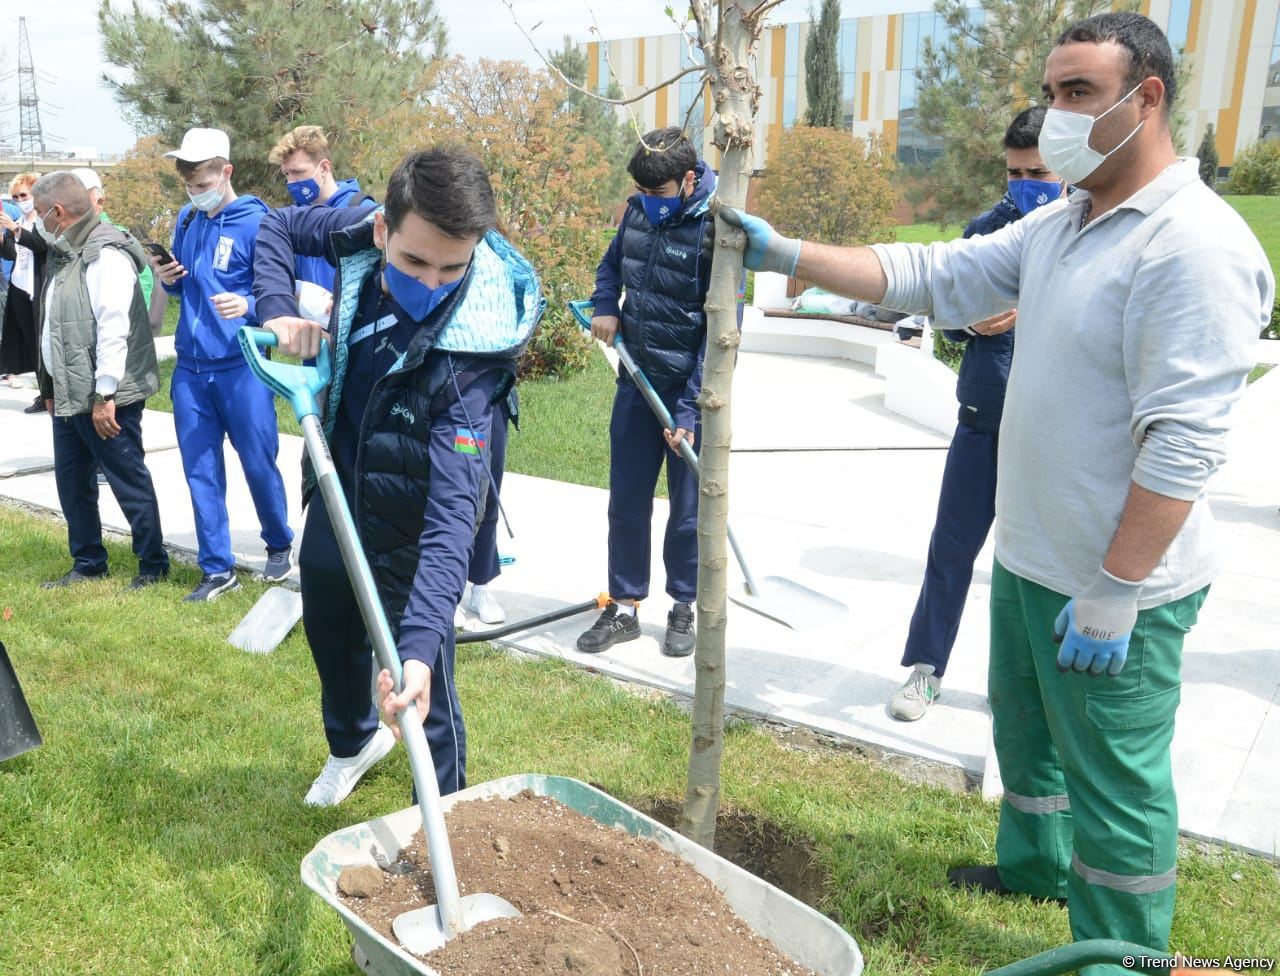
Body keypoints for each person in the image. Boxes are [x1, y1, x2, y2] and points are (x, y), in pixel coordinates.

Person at [724, 12, 1273, 967]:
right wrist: (788, 255)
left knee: (1115, 783)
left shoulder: (1193, 248)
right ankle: (1033, 867)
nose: (1056, 114)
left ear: (1147, 101)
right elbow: (936, 275)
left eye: (1078, 95)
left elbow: (1183, 445)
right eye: (1054, 90)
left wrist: (1113, 593)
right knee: (1029, 746)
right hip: (1031, 558)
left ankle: (1118, 951)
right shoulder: (1066, 222)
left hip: (1115, 586)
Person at [253, 147, 542, 806]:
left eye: (453, 267)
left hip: (412, 524)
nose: (433, 285)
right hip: (337, 488)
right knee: (329, 624)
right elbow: (272, 227)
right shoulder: (356, 231)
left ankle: (443, 817)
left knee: (421, 688)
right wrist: (277, 309)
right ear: (384, 230)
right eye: (415, 262)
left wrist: (413, 651)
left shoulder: (473, 359)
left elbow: (451, 521)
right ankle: (353, 742)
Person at [890, 107, 1064, 722]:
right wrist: (969, 320)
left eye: (1038, 170)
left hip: (1055, 433)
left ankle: (1038, 689)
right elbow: (948, 317)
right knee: (952, 548)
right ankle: (924, 669)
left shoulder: (1088, 230)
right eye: (1015, 173)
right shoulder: (986, 229)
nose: (1026, 184)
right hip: (985, 416)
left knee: (1047, 566)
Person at [576, 126, 717, 659]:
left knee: (686, 510)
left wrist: (690, 407)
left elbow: (722, 329)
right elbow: (610, 267)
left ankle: (683, 606)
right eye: (641, 193)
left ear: (688, 180)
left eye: (657, 195)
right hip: (635, 382)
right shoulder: (637, 213)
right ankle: (625, 606)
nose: (647, 205)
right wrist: (605, 305)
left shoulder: (714, 231)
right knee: (627, 500)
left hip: (689, 394)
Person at [150, 127, 295, 602]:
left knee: (258, 461)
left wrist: (249, 305)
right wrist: (168, 277)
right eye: (189, 184)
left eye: (203, 181)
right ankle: (217, 568)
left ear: (225, 172)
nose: (196, 192)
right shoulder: (187, 220)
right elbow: (184, 287)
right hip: (191, 369)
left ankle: (278, 541)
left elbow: (281, 295)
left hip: (242, 366)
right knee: (200, 469)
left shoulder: (260, 222)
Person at [29, 173, 169, 591]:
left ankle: (152, 566)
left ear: (58, 212)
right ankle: (89, 561)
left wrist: (105, 394)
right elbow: (54, 324)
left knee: (128, 480)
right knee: (73, 485)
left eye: (39, 213)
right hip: (70, 394)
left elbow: (113, 328)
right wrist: (50, 388)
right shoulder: (64, 252)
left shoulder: (104, 254)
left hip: (105, 398)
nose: (36, 221)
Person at [267, 125, 374, 295]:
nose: (291, 182)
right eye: (286, 174)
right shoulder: (294, 220)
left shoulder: (360, 209)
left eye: (298, 172)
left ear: (324, 168)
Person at [461, 386, 516, 625]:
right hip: (456, 392)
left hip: (493, 394)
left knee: (489, 491)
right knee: (459, 491)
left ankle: (481, 585)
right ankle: (447, 589)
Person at [1, 172, 49, 412]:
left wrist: (15, 230)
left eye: (23, 194)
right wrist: (3, 238)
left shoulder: (43, 220)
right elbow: (10, 254)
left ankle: (51, 394)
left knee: (43, 344)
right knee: (31, 343)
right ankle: (44, 393)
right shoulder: (18, 219)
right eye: (15, 196)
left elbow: (41, 246)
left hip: (37, 288)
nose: (20, 199)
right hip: (19, 288)